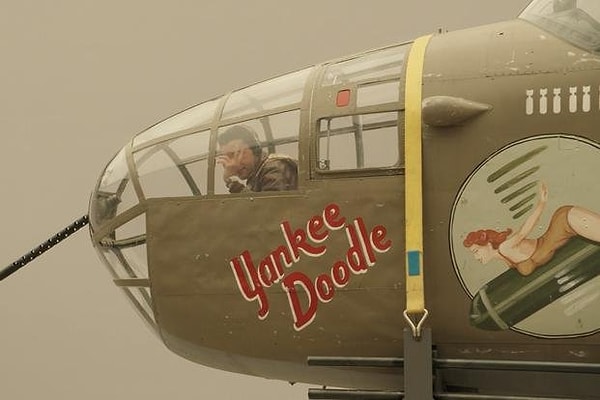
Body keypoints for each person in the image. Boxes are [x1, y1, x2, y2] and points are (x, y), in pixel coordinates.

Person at [463, 183, 600, 276]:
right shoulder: (505, 257)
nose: (476, 257)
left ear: (487, 244)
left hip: (565, 221)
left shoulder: (505, 248)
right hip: (564, 225)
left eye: (476, 251)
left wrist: (541, 203)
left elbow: (524, 230)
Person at [216, 124, 298, 193]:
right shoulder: (258, 173)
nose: (232, 163)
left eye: (235, 154)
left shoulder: (274, 168)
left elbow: (268, 209)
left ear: (255, 150)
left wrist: (233, 183)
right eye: (226, 157)